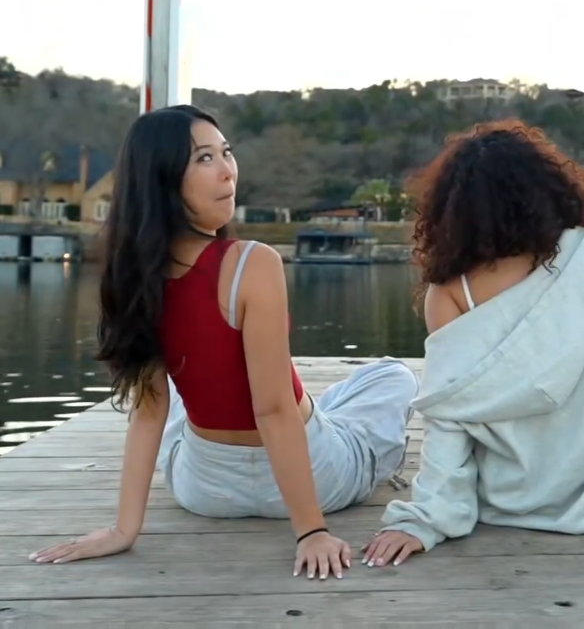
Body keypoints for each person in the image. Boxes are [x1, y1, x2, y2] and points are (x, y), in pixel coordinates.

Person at [29, 105, 418, 580]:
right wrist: (311, 531)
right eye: (204, 158)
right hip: (317, 478)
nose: (228, 170)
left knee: (172, 399)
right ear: (164, 180)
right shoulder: (253, 263)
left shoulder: (135, 280)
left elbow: (148, 413)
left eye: (226, 152)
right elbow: (272, 409)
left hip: (206, 489)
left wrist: (123, 530)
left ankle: (319, 419)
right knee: (393, 375)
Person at [362, 120, 584, 568]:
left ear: (455, 210)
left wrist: (428, 517)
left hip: (513, 494)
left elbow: (449, 413)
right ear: (550, 190)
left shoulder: (451, 291)